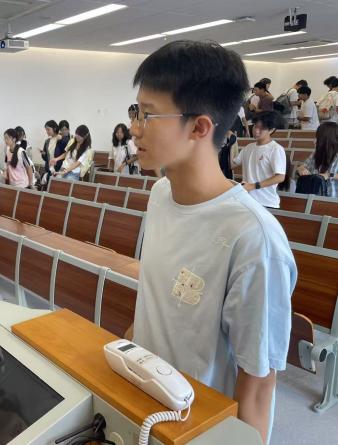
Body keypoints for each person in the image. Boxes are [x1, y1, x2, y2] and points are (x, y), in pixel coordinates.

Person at [125, 41, 295, 444]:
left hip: (199, 427)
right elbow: (154, 307)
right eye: (135, 111)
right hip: (144, 406)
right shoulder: (160, 194)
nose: (134, 128)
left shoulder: (253, 239)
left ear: (199, 127)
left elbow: (258, 383)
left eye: (148, 115)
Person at [232, 112, 286, 208]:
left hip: (266, 203)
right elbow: (232, 165)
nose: (256, 131)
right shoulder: (248, 147)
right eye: (255, 126)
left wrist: (253, 186)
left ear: (271, 130)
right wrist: (231, 143)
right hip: (247, 201)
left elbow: (280, 177)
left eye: (262, 128)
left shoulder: (276, 149)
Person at [297, 122, 338, 197]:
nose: (314, 141)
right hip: (314, 195)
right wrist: (302, 169)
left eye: (318, 137)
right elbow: (302, 166)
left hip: (333, 199)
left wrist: (329, 175)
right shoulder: (316, 153)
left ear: (327, 139)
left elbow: (330, 175)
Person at [40, 120, 60, 185]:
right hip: (49, 169)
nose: (47, 131)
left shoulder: (60, 139)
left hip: (58, 169)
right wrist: (43, 154)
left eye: (48, 129)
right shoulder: (47, 141)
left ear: (54, 128)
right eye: (46, 130)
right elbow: (46, 158)